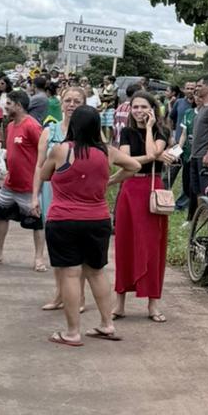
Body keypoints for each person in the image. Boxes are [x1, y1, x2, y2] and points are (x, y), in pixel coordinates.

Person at [40, 106, 142, 348]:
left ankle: (73, 332)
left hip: (63, 220)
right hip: (97, 219)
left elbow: (44, 175)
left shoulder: (61, 150)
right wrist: (112, 179)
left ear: (73, 125)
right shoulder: (108, 152)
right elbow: (135, 167)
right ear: (97, 126)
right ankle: (107, 324)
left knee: (70, 274)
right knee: (96, 271)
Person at [111, 92, 170, 322]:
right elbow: (126, 159)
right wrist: (152, 155)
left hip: (152, 190)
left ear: (152, 109)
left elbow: (151, 153)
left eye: (143, 106)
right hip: (130, 188)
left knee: (152, 246)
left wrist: (149, 129)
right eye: (135, 107)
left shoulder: (161, 131)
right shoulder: (125, 132)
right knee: (124, 244)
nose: (138, 111)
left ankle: (153, 304)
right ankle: (119, 303)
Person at [0, 90, 46, 271]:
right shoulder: (11, 125)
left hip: (29, 185)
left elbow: (43, 154)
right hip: (10, 183)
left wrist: (40, 181)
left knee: (37, 221)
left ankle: (39, 258)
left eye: (9, 104)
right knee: (0, 215)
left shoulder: (32, 126)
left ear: (19, 106)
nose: (5, 107)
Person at [32, 85, 87, 312]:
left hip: (80, 195)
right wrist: (34, 196)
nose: (72, 105)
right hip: (52, 193)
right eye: (68, 101)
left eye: (77, 101)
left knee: (79, 248)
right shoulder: (50, 131)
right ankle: (59, 295)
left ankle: (80, 297)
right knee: (57, 245)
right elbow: (39, 165)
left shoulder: (89, 132)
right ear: (61, 103)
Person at [187, 78, 208, 221]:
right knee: (196, 189)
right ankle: (199, 220)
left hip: (204, 156)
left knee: (206, 190)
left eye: (199, 86)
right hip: (194, 154)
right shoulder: (202, 107)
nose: (196, 89)